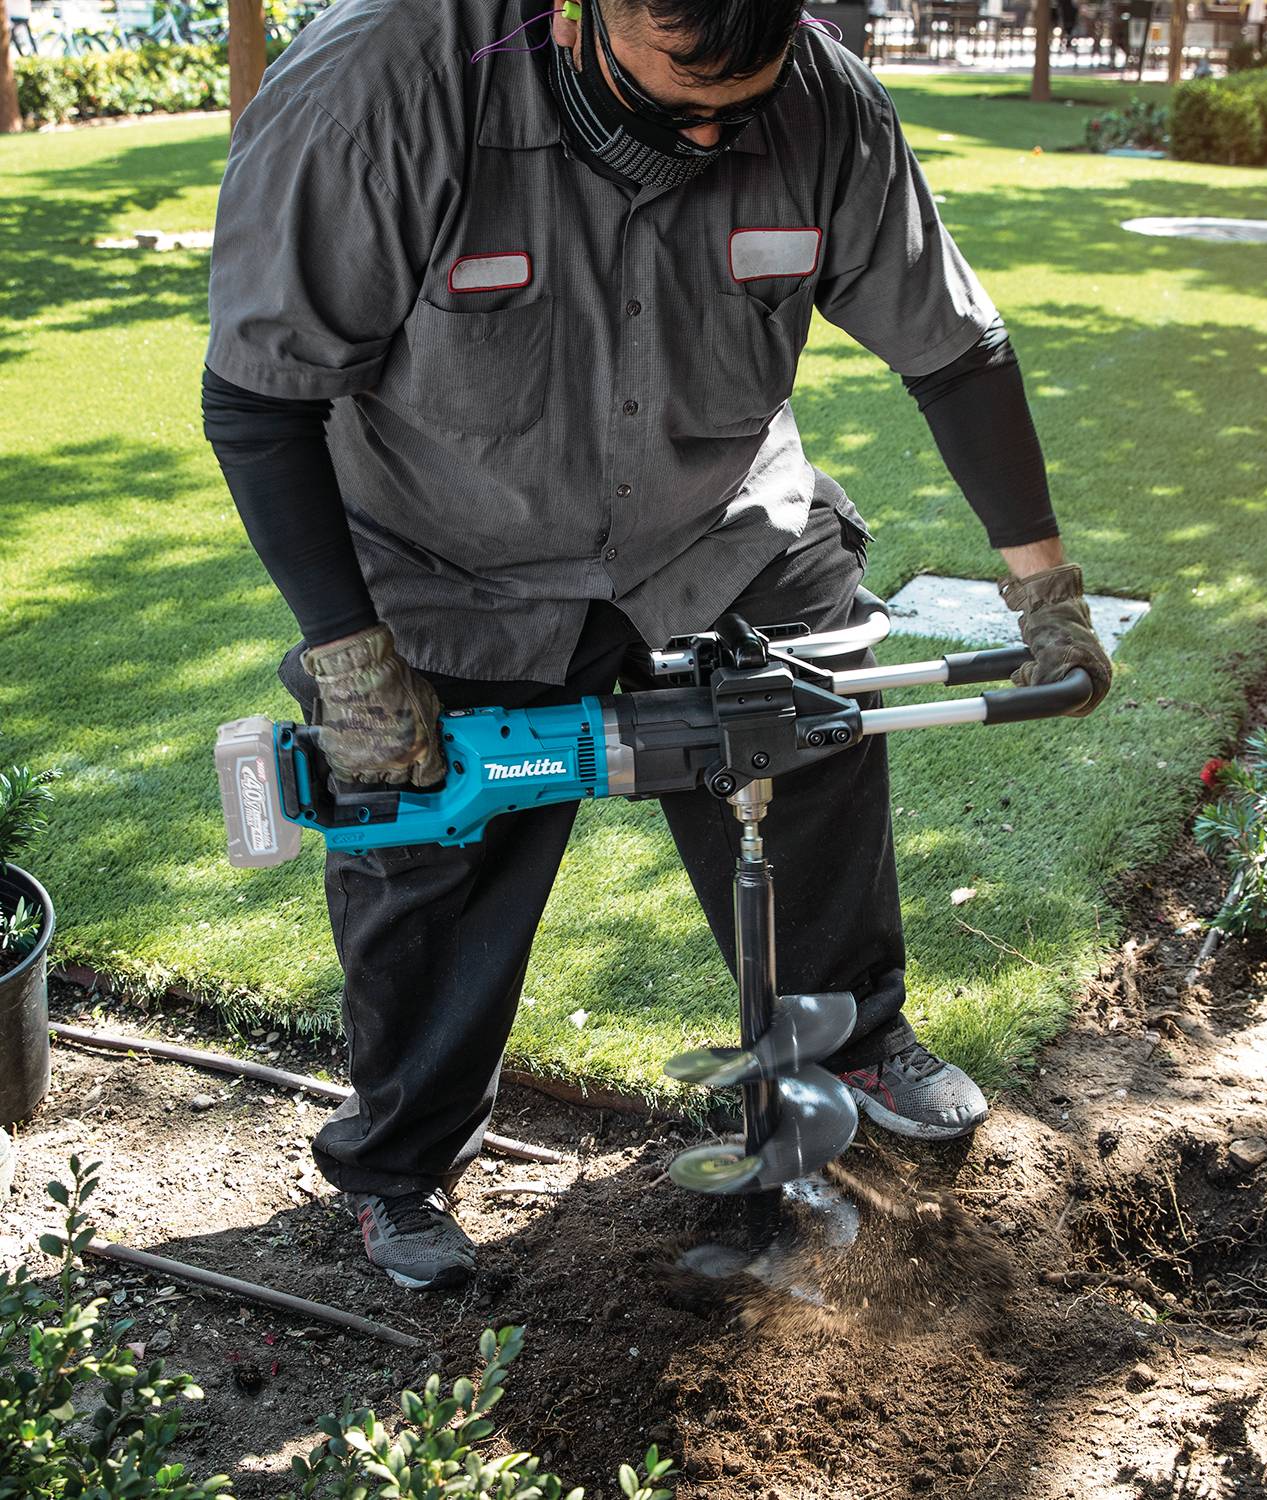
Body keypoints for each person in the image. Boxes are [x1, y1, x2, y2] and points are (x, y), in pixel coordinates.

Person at [202, 0, 1113, 1292]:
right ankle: (402, 1165)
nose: (710, 140)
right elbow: (257, 397)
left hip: (719, 527)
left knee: (817, 733)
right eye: (675, 101)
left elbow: (956, 351)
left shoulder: (827, 104)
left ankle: (847, 1042)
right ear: (577, 16)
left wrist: (1045, 591)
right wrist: (351, 658)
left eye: (745, 107)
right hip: (450, 558)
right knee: (428, 855)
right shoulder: (379, 91)